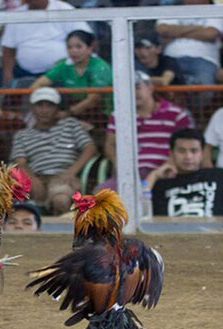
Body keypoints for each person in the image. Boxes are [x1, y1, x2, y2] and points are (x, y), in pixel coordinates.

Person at [99, 71, 193, 191]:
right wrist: (118, 164)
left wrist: (168, 166)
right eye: (128, 89)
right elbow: (110, 144)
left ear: (150, 88)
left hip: (164, 172)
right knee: (100, 195)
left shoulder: (176, 113)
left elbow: (185, 144)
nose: (133, 93)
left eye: (137, 88)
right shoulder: (118, 115)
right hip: (129, 175)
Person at [10, 87, 97, 215]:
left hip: (63, 177)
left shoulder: (70, 124)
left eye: (49, 106)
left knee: (60, 200)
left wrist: (71, 172)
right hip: (35, 178)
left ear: (57, 109)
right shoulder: (22, 135)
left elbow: (90, 148)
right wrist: (32, 180)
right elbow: (20, 162)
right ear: (33, 109)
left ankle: (62, 234)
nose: (44, 110)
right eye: (39, 105)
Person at [146, 128, 223, 217]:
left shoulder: (220, 176)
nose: (188, 156)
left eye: (194, 151)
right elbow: (140, 209)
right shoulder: (161, 184)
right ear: (171, 154)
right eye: (181, 151)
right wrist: (154, 175)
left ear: (202, 153)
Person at [0, 0, 93, 87]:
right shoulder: (16, 15)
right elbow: (8, 49)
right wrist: (7, 76)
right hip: (24, 73)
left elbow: (86, 38)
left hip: (60, 73)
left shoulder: (63, 9)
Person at [30, 30, 113, 120]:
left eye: (78, 47)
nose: (73, 51)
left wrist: (67, 113)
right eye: (69, 47)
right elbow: (38, 84)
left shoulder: (101, 67)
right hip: (73, 111)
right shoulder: (63, 65)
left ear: (90, 48)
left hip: (102, 114)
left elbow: (93, 100)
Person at [156, 0, 223, 87]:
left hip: (204, 59)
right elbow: (163, 30)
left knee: (205, 87)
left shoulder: (215, 10)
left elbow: (210, 34)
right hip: (171, 59)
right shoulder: (172, 9)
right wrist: (197, 28)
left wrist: (176, 32)